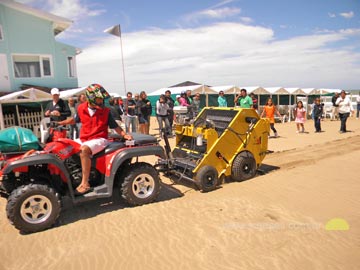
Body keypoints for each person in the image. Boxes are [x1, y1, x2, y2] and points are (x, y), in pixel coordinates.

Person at [58, 84, 132, 195]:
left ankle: (85, 183)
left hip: (100, 139)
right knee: (63, 146)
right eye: (99, 99)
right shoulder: (81, 108)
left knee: (84, 150)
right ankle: (64, 178)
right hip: (84, 138)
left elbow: (115, 126)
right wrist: (61, 123)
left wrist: (125, 135)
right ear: (91, 98)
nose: (101, 101)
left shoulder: (106, 111)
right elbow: (74, 120)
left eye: (102, 99)